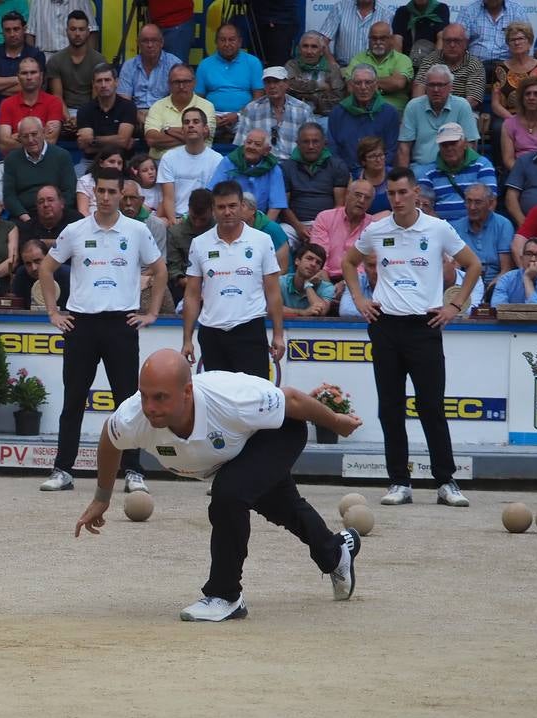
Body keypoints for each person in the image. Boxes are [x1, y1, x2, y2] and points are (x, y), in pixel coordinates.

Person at [72, 348, 365, 622]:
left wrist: (336, 421)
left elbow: (292, 400)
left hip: (278, 431)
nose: (150, 407)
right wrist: (102, 497)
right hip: (232, 452)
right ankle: (336, 552)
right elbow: (110, 442)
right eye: (145, 396)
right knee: (281, 506)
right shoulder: (132, 416)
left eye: (160, 397)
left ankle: (226, 595)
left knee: (229, 494)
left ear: (187, 392)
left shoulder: (231, 399)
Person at [341, 166, 483, 507]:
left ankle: (446, 481)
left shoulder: (437, 229)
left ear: (416, 192)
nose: (397, 199)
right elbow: (349, 262)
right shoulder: (377, 229)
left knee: (431, 406)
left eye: (403, 192)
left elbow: (474, 265)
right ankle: (398, 482)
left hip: (425, 326)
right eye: (391, 194)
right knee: (390, 408)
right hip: (386, 326)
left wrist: (455, 305)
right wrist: (360, 299)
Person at [37, 168, 165, 494]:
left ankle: (133, 471)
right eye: (101, 191)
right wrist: (53, 311)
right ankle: (63, 469)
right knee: (73, 400)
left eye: (112, 191)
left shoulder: (136, 231)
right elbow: (46, 268)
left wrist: (151, 312)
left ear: (123, 194)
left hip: (121, 324)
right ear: (94, 192)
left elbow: (160, 269)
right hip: (81, 324)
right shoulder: (75, 230)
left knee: (127, 403)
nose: (106, 197)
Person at [181, 179, 285, 377]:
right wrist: (187, 339)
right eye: (221, 207)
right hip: (212, 332)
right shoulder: (199, 243)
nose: (227, 212)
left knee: (255, 399)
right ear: (213, 209)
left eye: (232, 206)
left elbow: (273, 292)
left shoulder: (262, 241)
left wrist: (278, 335)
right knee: (219, 402)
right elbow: (192, 294)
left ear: (242, 206)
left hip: (249, 329)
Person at [281, 122, 350, 252]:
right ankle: (287, 271)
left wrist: (321, 229)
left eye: (315, 141)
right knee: (281, 235)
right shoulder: (287, 167)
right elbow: (284, 206)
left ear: (324, 143)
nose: (311, 146)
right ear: (297, 143)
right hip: (296, 225)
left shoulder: (337, 166)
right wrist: (299, 227)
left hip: (328, 225)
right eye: (306, 142)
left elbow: (340, 205)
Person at [0, 12, 46, 133]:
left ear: (24, 29)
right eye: (8, 30)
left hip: (26, 108)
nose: (12, 34)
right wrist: (18, 79)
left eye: (16, 29)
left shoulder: (36, 54)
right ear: (2, 31)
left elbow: (34, 86)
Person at [399, 64, 480, 166]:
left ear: (451, 87)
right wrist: (405, 177)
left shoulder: (462, 106)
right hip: (422, 168)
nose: (436, 89)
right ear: (426, 87)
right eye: (431, 85)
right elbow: (404, 147)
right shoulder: (413, 106)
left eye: (441, 85)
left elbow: (470, 144)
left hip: (454, 168)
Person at [194, 24, 264, 140]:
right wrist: (210, 117)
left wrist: (238, 115)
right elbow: (198, 98)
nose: (227, 44)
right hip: (213, 116)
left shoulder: (253, 62)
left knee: (255, 135)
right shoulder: (205, 64)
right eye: (222, 40)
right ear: (216, 42)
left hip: (243, 116)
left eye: (231, 40)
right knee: (196, 130)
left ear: (240, 42)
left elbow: (259, 97)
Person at [232, 67, 316, 161]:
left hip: (293, 166)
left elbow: (312, 144)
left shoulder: (303, 110)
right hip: (261, 166)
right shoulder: (251, 109)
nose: (272, 86)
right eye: (268, 82)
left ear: (286, 84)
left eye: (276, 81)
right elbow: (241, 145)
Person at [3, 117, 77, 223]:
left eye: (34, 134)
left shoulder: (62, 155)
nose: (31, 140)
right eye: (25, 136)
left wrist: (56, 213)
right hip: (26, 216)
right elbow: (9, 195)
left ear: (43, 132)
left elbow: (69, 191)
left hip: (57, 214)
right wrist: (24, 216)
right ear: (19, 138)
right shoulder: (12, 159)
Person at [419, 123, 498, 221]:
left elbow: (490, 202)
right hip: (441, 230)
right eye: (444, 145)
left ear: (465, 143)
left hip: (475, 228)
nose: (449, 148)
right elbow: (423, 207)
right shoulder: (428, 172)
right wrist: (444, 229)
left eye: (453, 143)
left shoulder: (482, 165)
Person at [206, 130, 287, 221]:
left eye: (257, 144)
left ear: (266, 150)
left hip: (260, 220)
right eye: (249, 142)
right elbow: (213, 192)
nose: (251, 147)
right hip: (228, 216)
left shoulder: (274, 169)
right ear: (243, 144)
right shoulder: (229, 161)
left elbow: (275, 206)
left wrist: (262, 230)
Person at [330, 64, 403, 165]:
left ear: (376, 84)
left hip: (378, 171)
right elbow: (333, 149)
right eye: (358, 83)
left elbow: (391, 150)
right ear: (351, 85)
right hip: (345, 172)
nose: (363, 87)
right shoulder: (338, 112)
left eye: (368, 82)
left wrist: (371, 172)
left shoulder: (389, 113)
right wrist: (343, 172)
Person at [157, 108, 222, 221]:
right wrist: (174, 223)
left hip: (204, 219)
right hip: (175, 218)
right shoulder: (169, 157)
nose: (191, 125)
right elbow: (168, 198)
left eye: (196, 122)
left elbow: (215, 198)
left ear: (205, 129)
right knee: (158, 223)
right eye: (187, 122)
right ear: (182, 130)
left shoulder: (217, 160)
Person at [141, 64, 216, 160]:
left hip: (197, 162)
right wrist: (192, 136)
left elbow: (204, 134)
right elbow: (151, 139)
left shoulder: (207, 106)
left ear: (194, 82)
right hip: (161, 163)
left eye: (186, 81)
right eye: (176, 82)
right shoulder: (157, 106)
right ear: (169, 84)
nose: (181, 86)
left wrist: (167, 130)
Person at [46, 11, 106, 130]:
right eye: (73, 29)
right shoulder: (55, 60)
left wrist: (82, 118)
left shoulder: (98, 60)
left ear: (88, 32)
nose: (77, 34)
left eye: (81, 29)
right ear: (66, 31)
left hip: (92, 110)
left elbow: (97, 97)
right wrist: (68, 119)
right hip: (64, 111)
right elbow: (57, 96)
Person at [454, 183, 513, 297]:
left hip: (494, 284)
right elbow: (454, 267)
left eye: (478, 202)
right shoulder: (456, 227)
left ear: (490, 204)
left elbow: (506, 269)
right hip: (464, 284)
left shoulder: (503, 225)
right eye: (469, 201)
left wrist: (489, 290)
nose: (472, 207)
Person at [117, 24, 181, 125]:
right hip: (135, 116)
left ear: (162, 42)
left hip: (166, 116)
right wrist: (137, 116)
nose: (150, 45)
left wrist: (155, 118)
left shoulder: (174, 64)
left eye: (154, 40)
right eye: (145, 41)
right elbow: (124, 102)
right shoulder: (129, 66)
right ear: (138, 43)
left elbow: (180, 99)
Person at [0, 56, 65, 151]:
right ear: (18, 77)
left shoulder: (54, 102)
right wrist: (41, 133)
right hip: (15, 161)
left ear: (41, 76)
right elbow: (4, 144)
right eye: (24, 73)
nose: (29, 77)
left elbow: (51, 140)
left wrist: (18, 136)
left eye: (33, 72)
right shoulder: (7, 104)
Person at [411, 25, 486, 110]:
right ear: (442, 42)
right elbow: (419, 88)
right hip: (429, 110)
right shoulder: (431, 59)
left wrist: (447, 113)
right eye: (448, 41)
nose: (452, 45)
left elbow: (473, 100)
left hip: (462, 112)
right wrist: (422, 110)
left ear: (465, 43)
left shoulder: (475, 64)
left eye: (457, 41)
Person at [77, 63, 139, 165]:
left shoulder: (128, 107)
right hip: (92, 161)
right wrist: (116, 141)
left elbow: (123, 141)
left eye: (107, 80)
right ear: (93, 84)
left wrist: (93, 141)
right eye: (99, 81)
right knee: (76, 178)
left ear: (116, 82)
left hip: (122, 162)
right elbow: (86, 147)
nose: (103, 85)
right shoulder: (84, 110)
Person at [491, 22, 537, 126]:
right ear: (508, 44)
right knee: (498, 128)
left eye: (521, 38)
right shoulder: (500, 68)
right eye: (512, 40)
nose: (517, 43)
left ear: (530, 42)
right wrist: (512, 119)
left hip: (536, 116)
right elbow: (495, 103)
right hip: (508, 116)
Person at [349, 23, 415, 112]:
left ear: (391, 39)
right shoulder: (358, 59)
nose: (378, 42)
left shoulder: (402, 59)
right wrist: (386, 85)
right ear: (369, 39)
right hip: (364, 111)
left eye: (383, 38)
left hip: (394, 112)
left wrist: (364, 82)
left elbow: (398, 83)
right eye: (374, 38)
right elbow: (351, 88)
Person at [165, 187, 213, 304]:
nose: (197, 223)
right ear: (189, 209)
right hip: (185, 285)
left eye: (203, 219)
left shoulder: (221, 231)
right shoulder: (176, 233)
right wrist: (191, 285)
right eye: (194, 218)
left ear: (212, 210)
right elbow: (173, 268)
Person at [500, 75, 537, 170]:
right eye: (527, 94)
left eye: (536, 94)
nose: (531, 97)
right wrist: (525, 175)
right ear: (522, 98)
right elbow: (508, 160)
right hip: (518, 172)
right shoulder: (509, 124)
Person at [287, 31, 347, 118]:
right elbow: (289, 85)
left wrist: (311, 97)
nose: (309, 51)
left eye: (314, 47)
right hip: (294, 114)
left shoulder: (332, 69)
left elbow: (337, 100)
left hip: (322, 116)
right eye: (305, 46)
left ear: (322, 51)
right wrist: (319, 85)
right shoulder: (292, 65)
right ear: (299, 49)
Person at [456, 0, 533, 67]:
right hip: (476, 67)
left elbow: (527, 40)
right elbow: (458, 43)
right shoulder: (468, 10)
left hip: (509, 66)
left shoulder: (517, 10)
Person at [321, 0, 397, 67]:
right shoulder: (340, 8)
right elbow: (322, 40)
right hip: (344, 68)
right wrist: (332, 63)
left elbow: (390, 45)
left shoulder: (386, 14)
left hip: (374, 71)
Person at [489, 235, 537, 304]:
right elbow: (497, 307)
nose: (533, 259)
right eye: (529, 254)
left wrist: (527, 279)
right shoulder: (506, 279)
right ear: (522, 258)